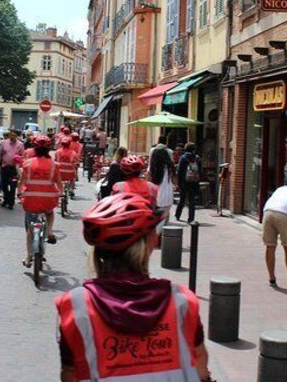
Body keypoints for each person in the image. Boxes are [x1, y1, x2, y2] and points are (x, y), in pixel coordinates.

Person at [55, 193, 214, 382]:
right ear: (150, 243)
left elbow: (70, 374)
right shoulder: (182, 301)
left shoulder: (75, 306)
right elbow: (201, 369)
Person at [18, 135, 62, 267]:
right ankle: (49, 231)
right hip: (48, 199)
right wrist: (59, 194)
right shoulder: (54, 165)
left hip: (30, 200)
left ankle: (28, 257)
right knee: (49, 212)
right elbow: (59, 184)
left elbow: (22, 182)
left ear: (35, 148)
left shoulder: (27, 163)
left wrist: (19, 193)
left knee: (30, 231)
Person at [149, 145, 176, 223]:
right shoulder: (169, 166)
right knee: (166, 219)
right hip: (168, 194)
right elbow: (174, 180)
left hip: (156, 196)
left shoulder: (154, 168)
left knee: (157, 222)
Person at [176, 143, 202, 222]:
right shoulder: (197, 158)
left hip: (184, 181)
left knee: (182, 199)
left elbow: (179, 171)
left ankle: (178, 215)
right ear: (194, 149)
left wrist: (178, 182)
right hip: (194, 182)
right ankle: (191, 218)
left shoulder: (183, 158)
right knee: (192, 200)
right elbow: (200, 170)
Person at [0, 130, 25, 209]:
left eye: (14, 136)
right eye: (11, 135)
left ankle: (11, 203)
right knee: (4, 184)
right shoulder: (4, 143)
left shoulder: (20, 144)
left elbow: (22, 156)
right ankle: (6, 199)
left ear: (16, 136)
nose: (12, 137)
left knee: (13, 185)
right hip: (5, 167)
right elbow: (0, 154)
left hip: (14, 168)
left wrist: (19, 163)